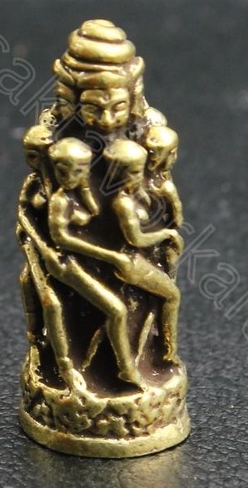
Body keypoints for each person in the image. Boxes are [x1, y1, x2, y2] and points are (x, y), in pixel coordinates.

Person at [19, 137, 145, 390]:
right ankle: (126, 370)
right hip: (66, 263)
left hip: (87, 262)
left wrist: (86, 188)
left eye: (79, 170)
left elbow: (94, 211)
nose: (70, 177)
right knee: (116, 310)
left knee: (124, 303)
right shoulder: (60, 201)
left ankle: (122, 364)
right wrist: (110, 256)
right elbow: (62, 240)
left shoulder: (80, 193)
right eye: (63, 171)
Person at [103, 139, 183, 363]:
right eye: (134, 172)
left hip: (140, 259)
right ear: (118, 174)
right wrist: (166, 235)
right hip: (131, 262)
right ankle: (169, 350)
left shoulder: (137, 194)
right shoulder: (123, 203)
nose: (139, 177)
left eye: (140, 171)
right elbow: (135, 238)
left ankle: (156, 348)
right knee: (172, 296)